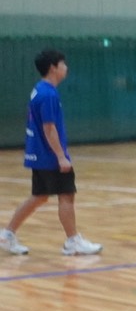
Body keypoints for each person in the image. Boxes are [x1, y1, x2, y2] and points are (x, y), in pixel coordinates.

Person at [1, 49, 103, 257]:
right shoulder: (48, 94)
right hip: (49, 156)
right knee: (66, 195)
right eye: (63, 64)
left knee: (39, 196)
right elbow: (49, 129)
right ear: (53, 68)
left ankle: (7, 235)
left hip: (38, 154)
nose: (66, 67)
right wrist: (61, 157)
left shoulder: (39, 90)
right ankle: (73, 241)